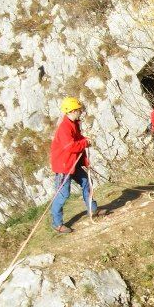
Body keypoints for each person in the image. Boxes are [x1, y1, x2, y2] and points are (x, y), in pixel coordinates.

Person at [49, 97, 101, 233]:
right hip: (64, 166)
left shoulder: (73, 124)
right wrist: (84, 143)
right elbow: (70, 146)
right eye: (79, 109)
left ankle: (93, 209)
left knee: (86, 183)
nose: (81, 111)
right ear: (72, 111)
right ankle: (57, 223)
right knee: (63, 194)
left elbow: (77, 139)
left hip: (73, 163)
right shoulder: (64, 127)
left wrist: (85, 140)